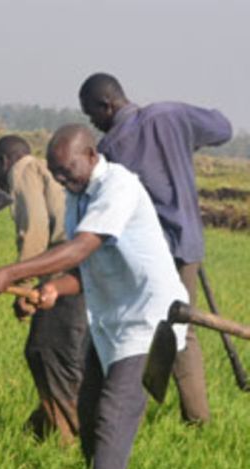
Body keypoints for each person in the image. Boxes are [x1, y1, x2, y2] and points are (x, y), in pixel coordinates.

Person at [0, 125, 188, 469]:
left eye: (66, 169)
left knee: (114, 410)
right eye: (55, 171)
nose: (60, 178)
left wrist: (11, 272)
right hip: (111, 318)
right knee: (88, 408)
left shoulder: (118, 187)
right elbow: (87, 268)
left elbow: (80, 248)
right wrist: (53, 288)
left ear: (91, 155)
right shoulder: (78, 196)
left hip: (150, 318)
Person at [79, 72, 233, 425]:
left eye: (92, 114)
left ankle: (133, 410)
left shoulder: (112, 149)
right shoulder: (172, 115)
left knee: (135, 326)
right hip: (189, 242)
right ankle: (196, 418)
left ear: (107, 104)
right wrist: (186, 140)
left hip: (147, 252)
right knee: (183, 328)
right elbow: (222, 128)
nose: (94, 123)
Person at [0, 135, 89, 443]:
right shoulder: (49, 171)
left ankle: (69, 440)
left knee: (47, 351)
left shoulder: (23, 169)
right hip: (87, 268)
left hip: (66, 267)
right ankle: (37, 434)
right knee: (65, 353)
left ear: (3, 162)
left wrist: (23, 284)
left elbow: (34, 227)